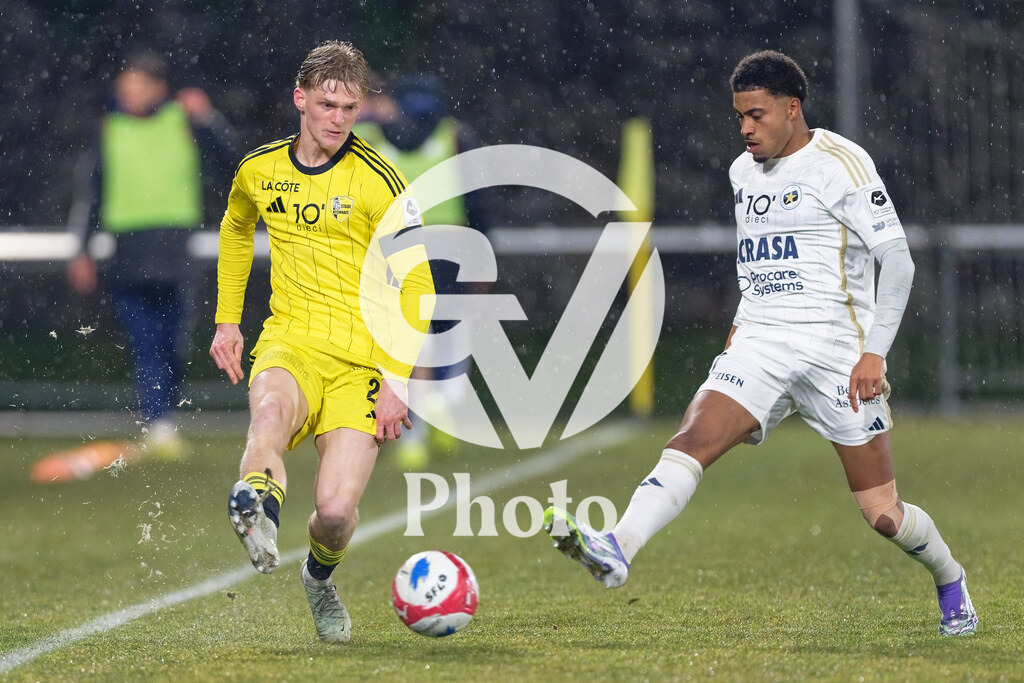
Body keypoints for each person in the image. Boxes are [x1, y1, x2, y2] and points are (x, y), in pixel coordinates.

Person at [544, 50, 978, 638]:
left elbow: (896, 262)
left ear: (792, 109)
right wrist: (742, 326)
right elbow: (759, 261)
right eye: (739, 117)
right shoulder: (742, 172)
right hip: (764, 342)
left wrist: (875, 350)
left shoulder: (842, 164)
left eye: (757, 114)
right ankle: (617, 548)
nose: (746, 128)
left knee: (882, 515)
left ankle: (951, 578)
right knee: (691, 440)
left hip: (837, 354)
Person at [209, 41, 434, 644]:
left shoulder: (381, 182)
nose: (337, 118)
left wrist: (396, 381)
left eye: (350, 107)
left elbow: (419, 281)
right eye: (327, 104)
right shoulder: (259, 170)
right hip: (290, 344)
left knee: (334, 515)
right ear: (300, 99)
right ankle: (257, 508)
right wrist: (228, 322)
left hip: (361, 361)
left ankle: (317, 578)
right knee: (268, 417)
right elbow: (235, 227)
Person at [67, 49, 237, 459]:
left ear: (159, 88)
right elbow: (89, 194)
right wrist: (82, 250)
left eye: (139, 84)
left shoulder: (184, 121)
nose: (131, 93)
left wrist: (209, 118)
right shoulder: (109, 128)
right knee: (144, 340)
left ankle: (163, 417)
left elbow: (233, 161)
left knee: (174, 340)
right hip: (128, 249)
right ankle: (158, 420)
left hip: (174, 248)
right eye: (126, 85)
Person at [354, 73, 493, 469]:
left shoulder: (369, 137)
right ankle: (443, 406)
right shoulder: (454, 135)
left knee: (410, 346)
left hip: (398, 250)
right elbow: (479, 202)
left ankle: (416, 427)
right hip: (450, 249)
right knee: (449, 340)